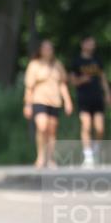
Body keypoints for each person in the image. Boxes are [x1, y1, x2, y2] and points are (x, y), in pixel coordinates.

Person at [23, 40, 73, 169]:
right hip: (39, 100)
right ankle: (40, 156)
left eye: (50, 48)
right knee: (42, 126)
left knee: (52, 130)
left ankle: (50, 158)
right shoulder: (34, 65)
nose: (48, 51)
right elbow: (29, 87)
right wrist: (27, 104)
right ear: (40, 50)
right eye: (45, 48)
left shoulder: (57, 65)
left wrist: (68, 101)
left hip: (55, 101)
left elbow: (62, 84)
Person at [69, 36, 111, 167]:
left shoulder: (97, 60)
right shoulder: (77, 61)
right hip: (84, 98)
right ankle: (88, 155)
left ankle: (96, 150)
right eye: (89, 43)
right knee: (86, 125)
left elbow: (103, 78)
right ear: (83, 44)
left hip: (97, 98)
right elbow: (72, 81)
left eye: (93, 43)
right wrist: (82, 79)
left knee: (99, 128)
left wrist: (107, 93)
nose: (92, 45)